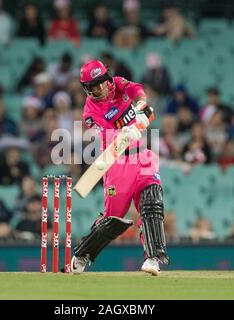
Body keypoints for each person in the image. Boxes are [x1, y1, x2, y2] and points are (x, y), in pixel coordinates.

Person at [71, 59, 169, 276]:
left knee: (151, 201)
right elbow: (107, 133)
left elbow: (138, 91)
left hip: (142, 156)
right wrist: (124, 131)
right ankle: (82, 253)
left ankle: (152, 259)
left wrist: (141, 107)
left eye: (101, 83)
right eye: (93, 86)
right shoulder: (90, 111)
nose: (99, 89)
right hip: (116, 161)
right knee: (112, 219)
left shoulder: (118, 84)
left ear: (107, 78)